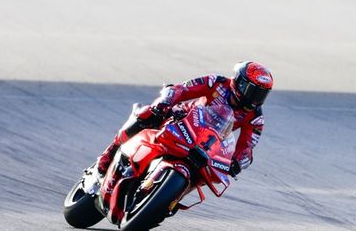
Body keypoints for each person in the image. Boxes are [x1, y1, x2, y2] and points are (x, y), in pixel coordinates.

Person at [94, 61, 272, 181]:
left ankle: (170, 200)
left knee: (209, 174)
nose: (255, 98)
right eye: (252, 91)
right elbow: (181, 89)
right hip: (185, 119)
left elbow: (247, 147)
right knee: (147, 114)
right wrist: (165, 102)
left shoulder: (256, 118)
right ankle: (110, 153)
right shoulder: (216, 82)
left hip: (209, 143)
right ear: (239, 82)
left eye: (261, 94)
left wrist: (237, 163)